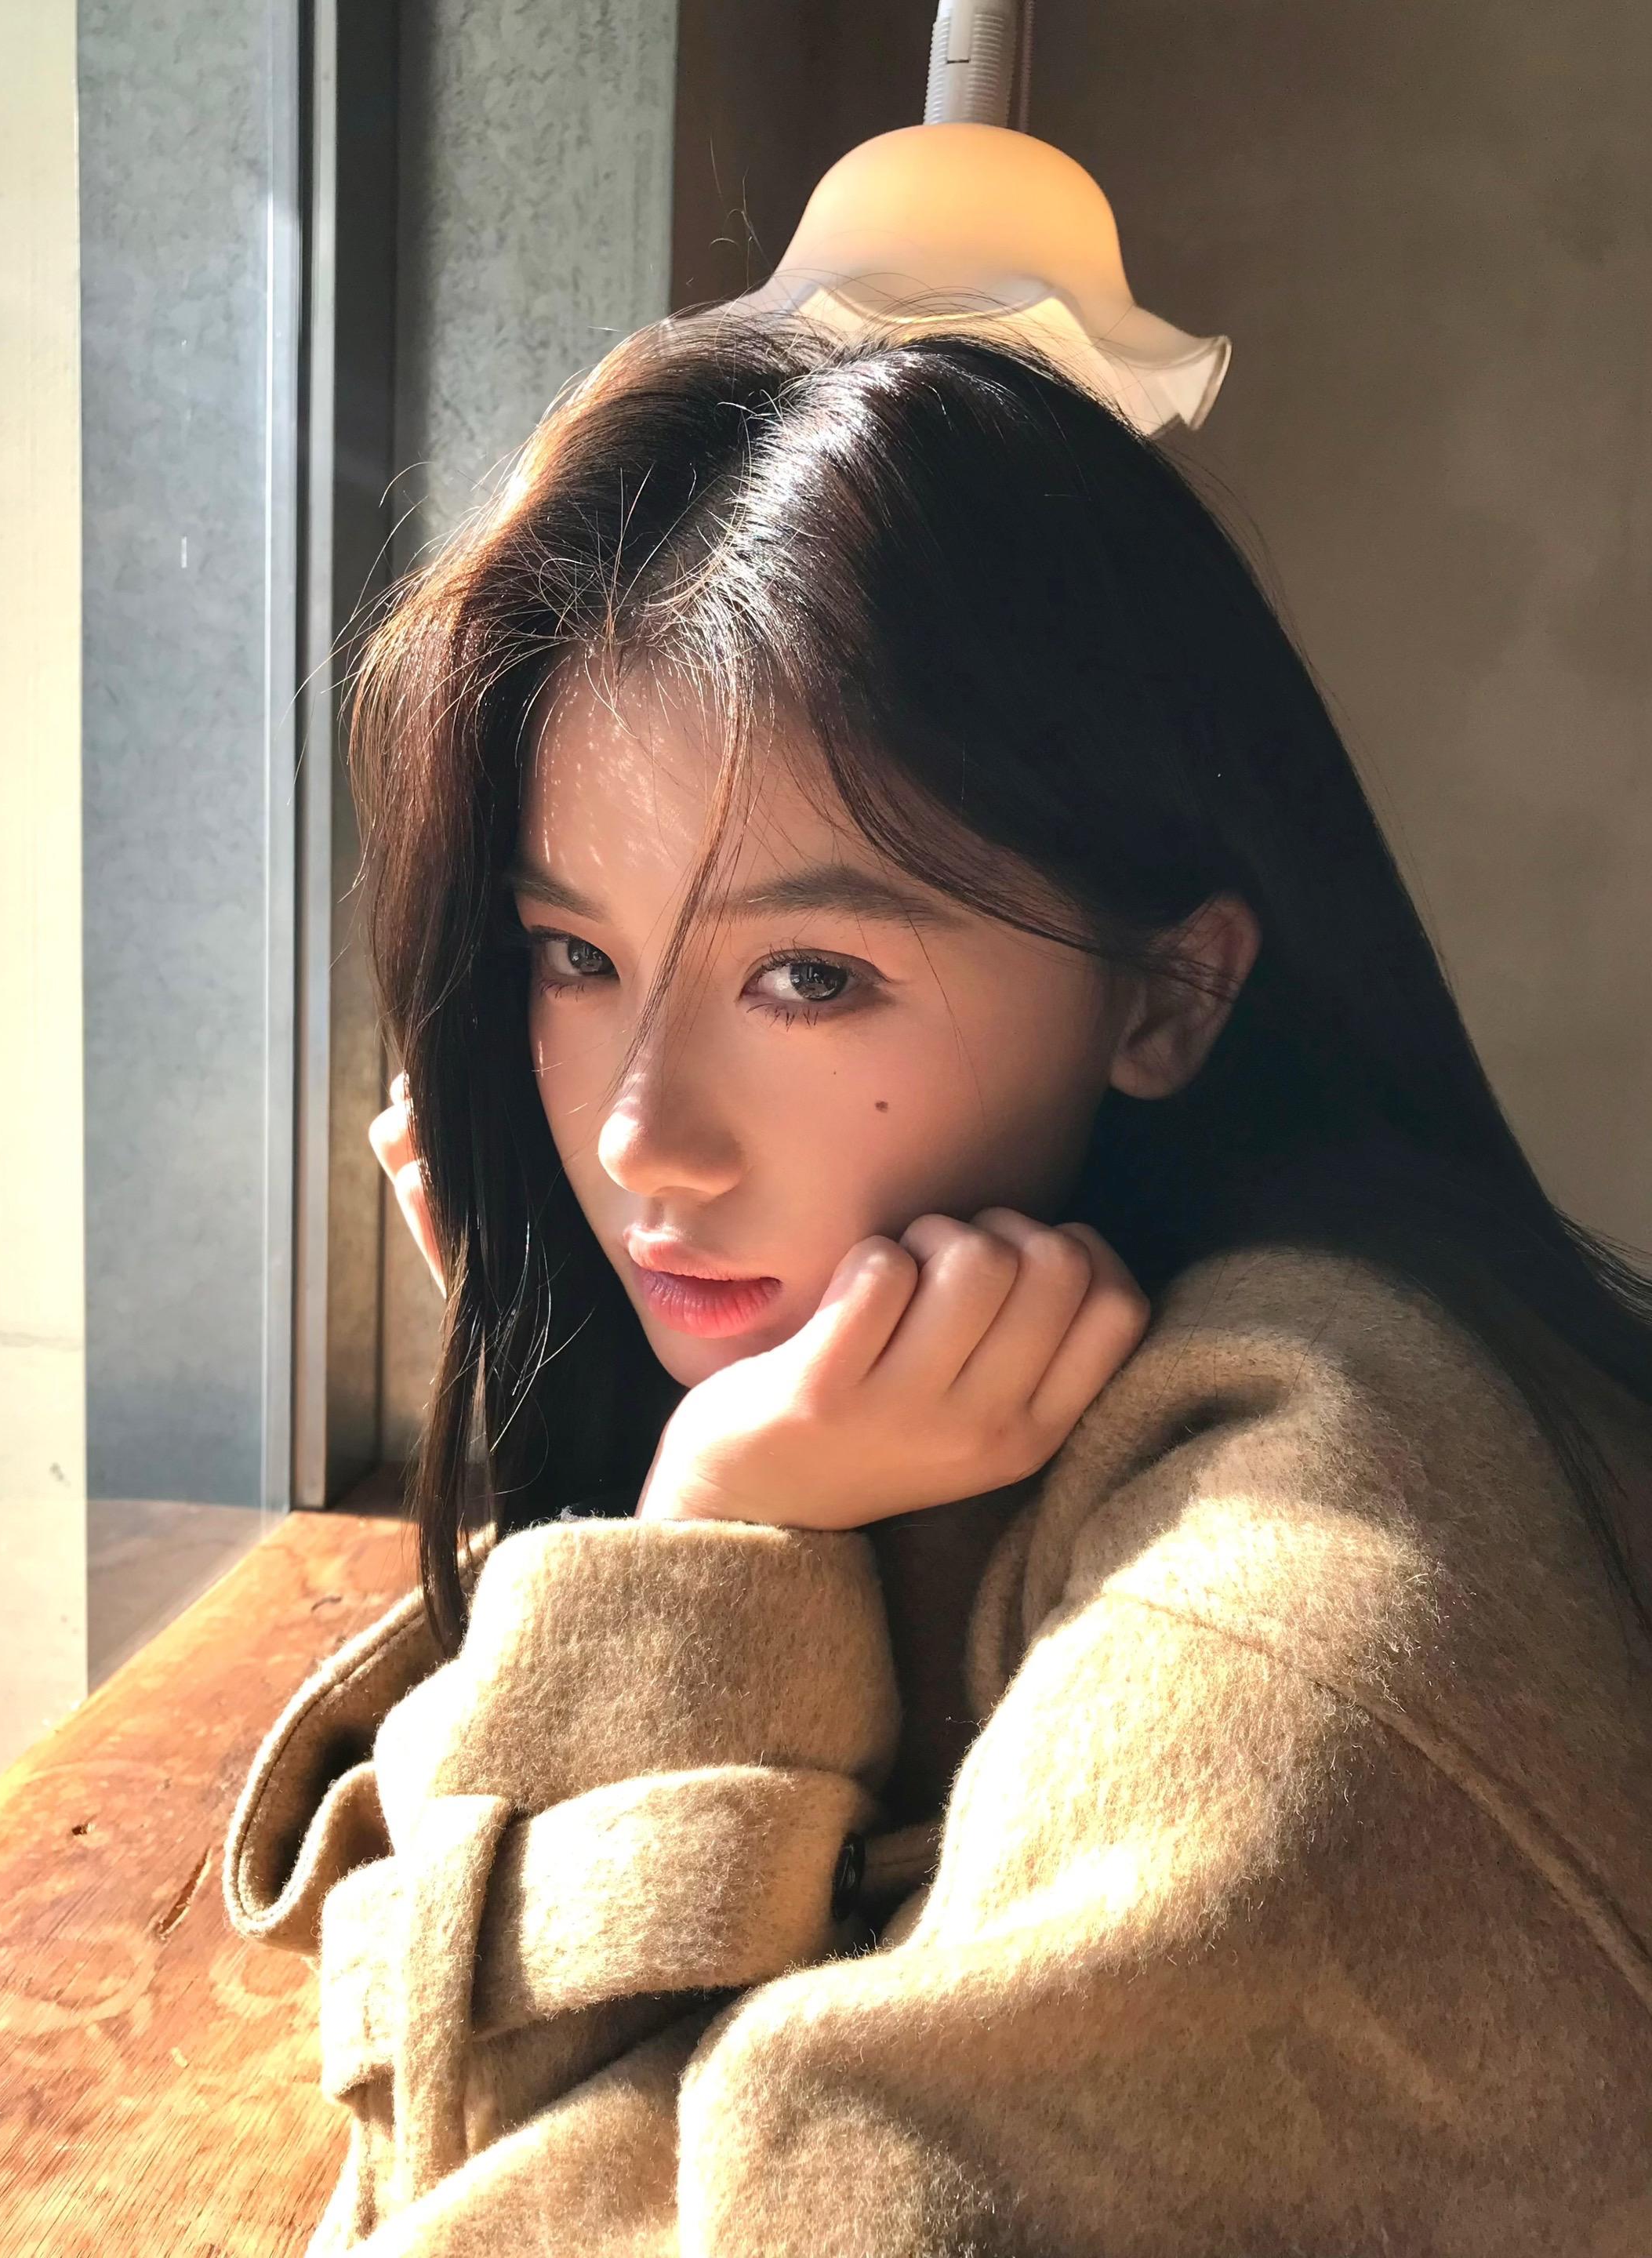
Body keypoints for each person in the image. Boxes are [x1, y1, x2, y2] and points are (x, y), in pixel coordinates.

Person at [223, 315, 1652, 2256]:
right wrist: (675, 1475)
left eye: (810, 978)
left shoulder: (1290, 1614)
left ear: (1168, 994)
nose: (641, 1138)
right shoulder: (998, 1376)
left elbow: (450, 2199)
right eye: (575, 956)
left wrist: (701, 1537)